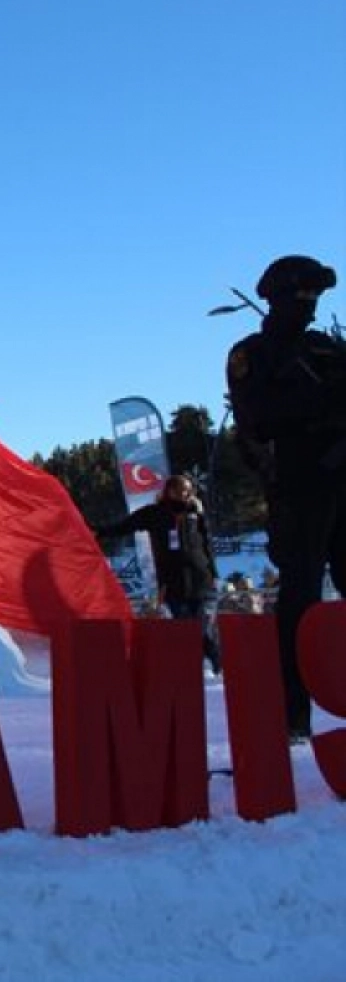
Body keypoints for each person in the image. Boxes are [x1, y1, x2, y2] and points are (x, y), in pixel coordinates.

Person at [226, 253, 346, 741]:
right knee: (301, 596)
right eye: (302, 298)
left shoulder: (325, 349)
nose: (311, 308)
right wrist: (316, 400)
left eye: (316, 299)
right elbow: (254, 419)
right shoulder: (253, 352)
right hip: (300, 481)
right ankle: (292, 714)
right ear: (275, 297)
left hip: (343, 474)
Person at [95, 475, 222, 674]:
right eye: (182, 490)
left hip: (201, 580)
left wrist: (214, 572)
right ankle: (201, 666)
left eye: (189, 491)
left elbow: (207, 545)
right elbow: (125, 526)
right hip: (172, 583)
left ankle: (215, 661)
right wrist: (99, 532)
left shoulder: (196, 514)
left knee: (201, 626)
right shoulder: (155, 514)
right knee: (186, 627)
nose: (186, 495)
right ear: (169, 491)